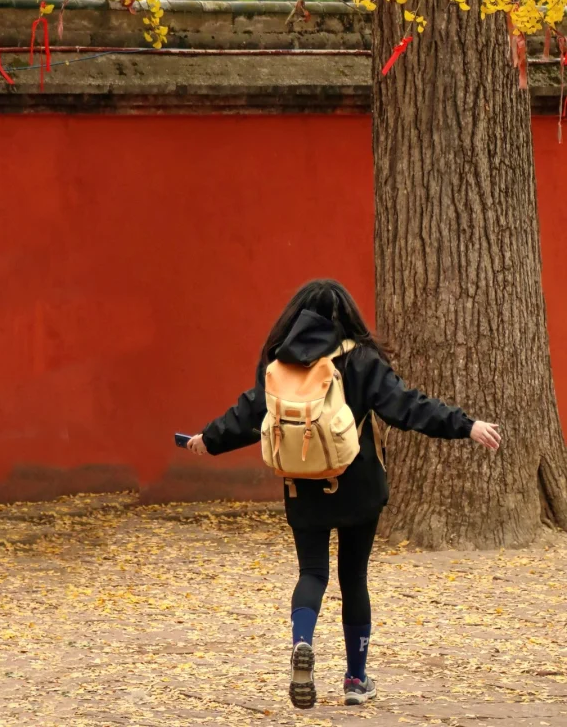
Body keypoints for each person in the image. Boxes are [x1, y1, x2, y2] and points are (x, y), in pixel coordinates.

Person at [185, 279, 501, 710]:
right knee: (354, 579)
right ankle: (355, 679)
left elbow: (247, 414)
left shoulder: (282, 365)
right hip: (359, 488)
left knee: (312, 574)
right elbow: (407, 406)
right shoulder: (362, 360)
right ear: (346, 316)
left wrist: (207, 439)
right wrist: (466, 425)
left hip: (302, 488)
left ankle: (302, 644)